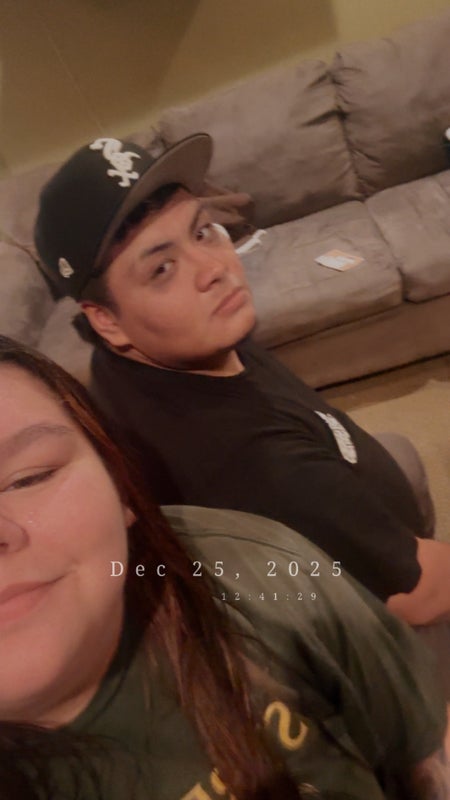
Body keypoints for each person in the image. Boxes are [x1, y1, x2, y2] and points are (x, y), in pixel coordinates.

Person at [0, 334, 448, 800]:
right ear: (107, 323)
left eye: (28, 478)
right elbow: (418, 590)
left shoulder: (249, 564)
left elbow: (421, 742)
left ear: (121, 485)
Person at [33, 134, 450, 630]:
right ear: (106, 320)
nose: (215, 268)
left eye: (202, 232)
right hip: (383, 612)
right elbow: (418, 594)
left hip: (350, 505)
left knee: (398, 454)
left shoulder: (154, 354)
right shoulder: (251, 462)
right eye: (162, 268)